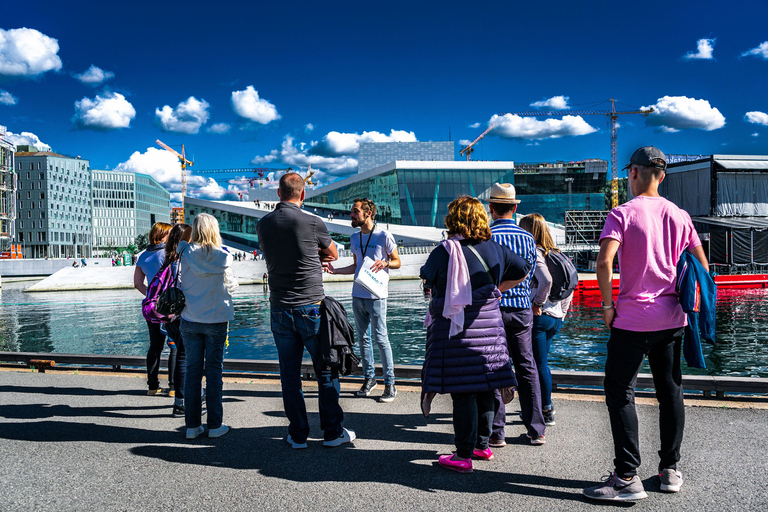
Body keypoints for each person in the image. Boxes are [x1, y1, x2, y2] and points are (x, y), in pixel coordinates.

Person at [583, 146, 709, 501]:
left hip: (632, 320)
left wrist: (608, 305)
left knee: (620, 392)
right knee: (670, 392)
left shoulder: (621, 213)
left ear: (633, 173)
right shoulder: (680, 215)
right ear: (663, 175)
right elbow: (703, 267)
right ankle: (669, 470)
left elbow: (605, 263)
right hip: (672, 320)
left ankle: (626, 478)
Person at [420, 196, 530, 473]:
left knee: (463, 391)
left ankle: (463, 455)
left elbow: (427, 278)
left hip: (455, 330)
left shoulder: (444, 250)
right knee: (486, 386)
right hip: (490, 327)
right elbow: (524, 269)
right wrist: (496, 290)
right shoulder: (495, 248)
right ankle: (482, 446)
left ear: (453, 219)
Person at [256, 172, 355, 449]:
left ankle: (298, 434)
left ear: (278, 193)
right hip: (312, 306)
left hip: (280, 308)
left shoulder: (262, 225)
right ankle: (332, 433)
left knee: (289, 375)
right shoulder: (313, 222)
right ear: (303, 195)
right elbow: (333, 254)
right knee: (326, 370)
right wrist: (315, 255)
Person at [325, 198, 401, 402]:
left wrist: (385, 262)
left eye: (355, 211)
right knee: (363, 339)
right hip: (357, 294)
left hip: (377, 295)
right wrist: (335, 271)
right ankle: (369, 379)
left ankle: (390, 383)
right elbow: (356, 267)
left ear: (368, 213)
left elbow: (397, 262)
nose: (352, 214)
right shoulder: (354, 237)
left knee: (381, 338)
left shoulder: (384, 235)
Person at [487, 183, 546, 445]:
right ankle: (536, 429)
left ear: (491, 208)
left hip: (493, 310)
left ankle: (497, 433)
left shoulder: (486, 236)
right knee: (527, 366)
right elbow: (531, 274)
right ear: (514, 207)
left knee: (495, 367)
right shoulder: (528, 238)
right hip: (522, 308)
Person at [177, 214, 238, 440]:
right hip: (216, 319)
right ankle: (215, 425)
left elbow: (180, 237)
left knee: (192, 372)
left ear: (195, 230)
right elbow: (231, 286)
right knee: (214, 372)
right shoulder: (224, 256)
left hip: (190, 319)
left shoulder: (184, 251)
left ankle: (192, 426)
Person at [519, 213, 573, 426]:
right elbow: (570, 287)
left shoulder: (535, 253)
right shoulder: (558, 254)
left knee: (537, 365)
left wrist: (537, 304)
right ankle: (542, 405)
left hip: (539, 318)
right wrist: (562, 313)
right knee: (541, 363)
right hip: (555, 317)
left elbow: (546, 281)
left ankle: (545, 409)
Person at [134, 222, 172, 395]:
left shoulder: (142, 256)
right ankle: (174, 386)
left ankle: (152, 386)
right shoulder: (169, 253)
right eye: (170, 233)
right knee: (175, 346)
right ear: (163, 235)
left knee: (155, 346)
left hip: (152, 307)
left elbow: (137, 283)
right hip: (170, 306)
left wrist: (152, 297)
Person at [164, 223, 192, 416]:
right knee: (185, 358)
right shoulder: (184, 259)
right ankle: (180, 403)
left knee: (181, 355)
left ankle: (182, 398)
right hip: (183, 314)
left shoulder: (166, 258)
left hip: (168, 316)